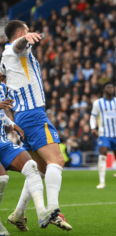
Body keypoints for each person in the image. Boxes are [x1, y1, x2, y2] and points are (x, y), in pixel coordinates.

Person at [1, 20, 72, 231]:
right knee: (57, 160)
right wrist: (24, 39)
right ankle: (53, 210)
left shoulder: (5, 58)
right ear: (22, 31)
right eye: (26, 29)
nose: (30, 32)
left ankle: (19, 214)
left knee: (40, 167)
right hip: (33, 115)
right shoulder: (16, 50)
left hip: (24, 116)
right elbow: (18, 46)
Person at [0, 82, 61, 233]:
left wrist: (11, 123)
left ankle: (42, 213)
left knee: (32, 167)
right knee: (2, 179)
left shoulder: (2, 87)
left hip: (2, 141)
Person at [90, 82, 116, 189]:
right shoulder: (98, 103)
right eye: (108, 87)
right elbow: (93, 116)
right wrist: (93, 128)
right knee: (102, 155)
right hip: (104, 134)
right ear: (104, 90)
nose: (110, 89)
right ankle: (102, 182)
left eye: (112, 87)